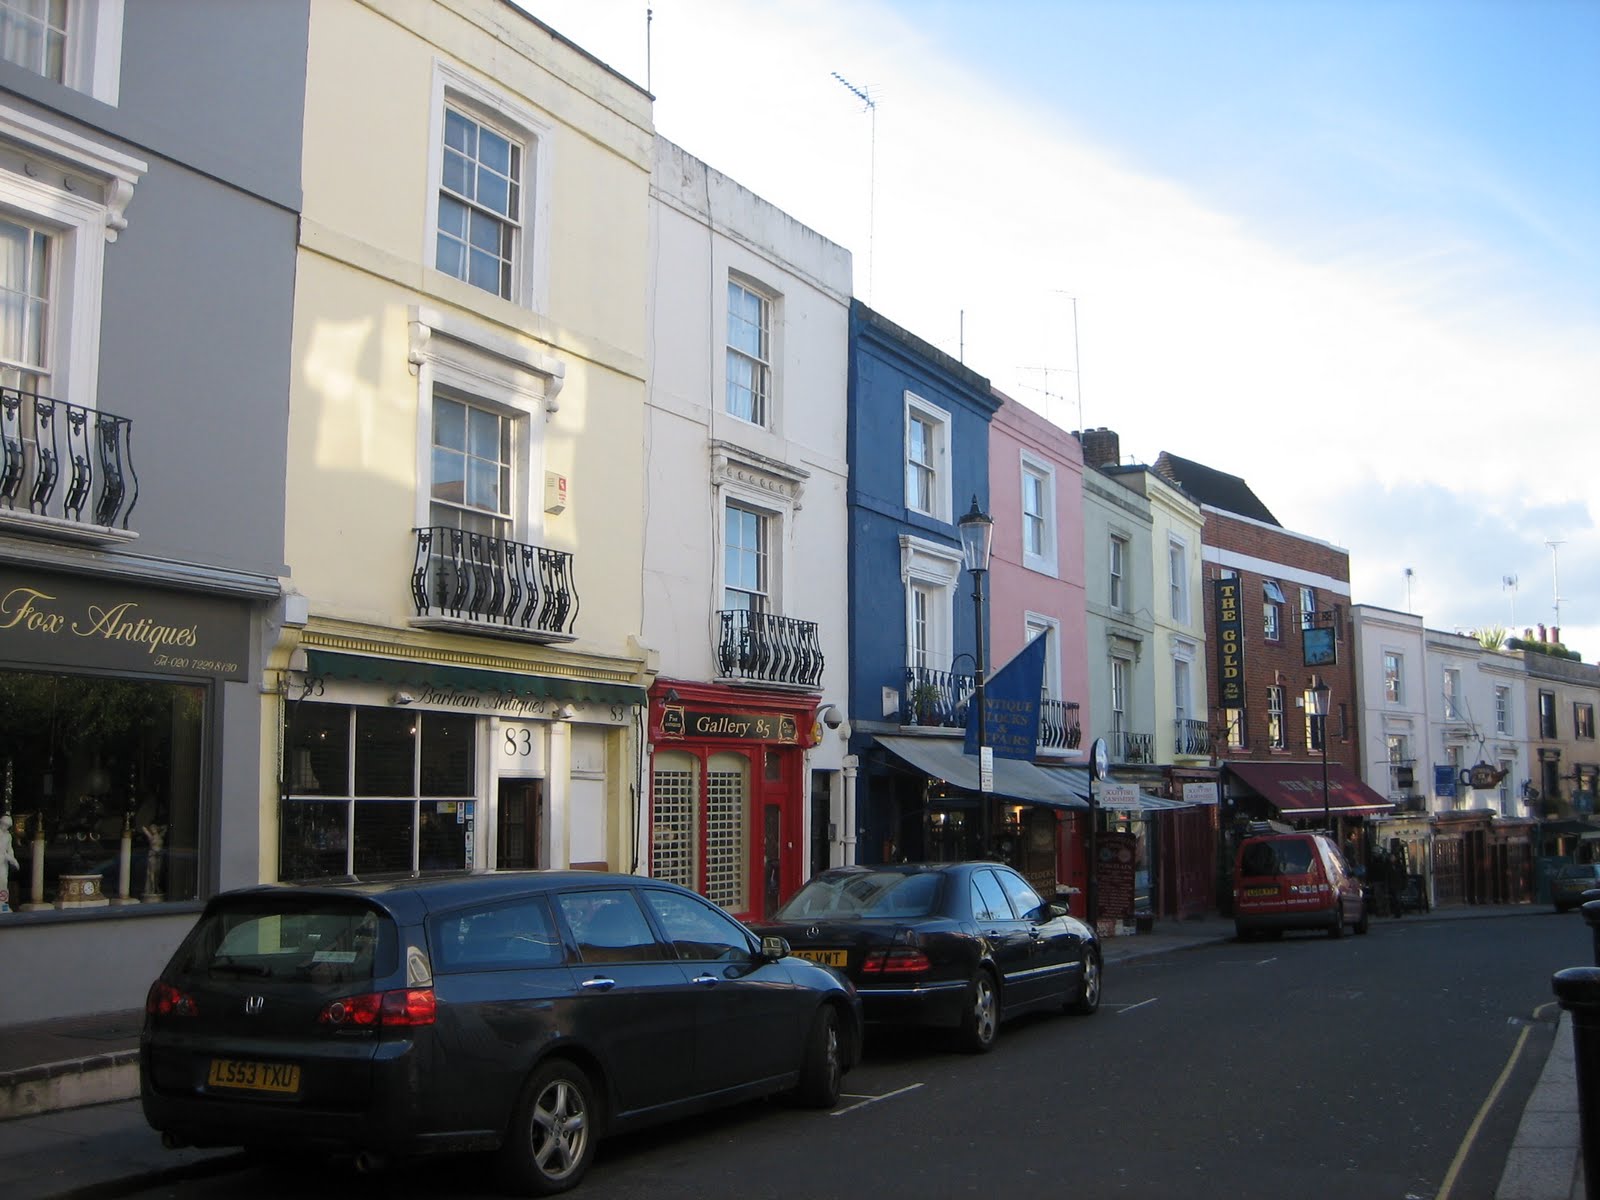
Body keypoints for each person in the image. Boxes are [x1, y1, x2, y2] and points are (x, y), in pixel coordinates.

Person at [0, 814, 18, 912]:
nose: (5, 827)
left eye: (7, 825)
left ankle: (3, 904)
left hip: (3, 863)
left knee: (3, 881)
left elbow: (9, 849)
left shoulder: (8, 836)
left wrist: (12, 858)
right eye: (4, 824)